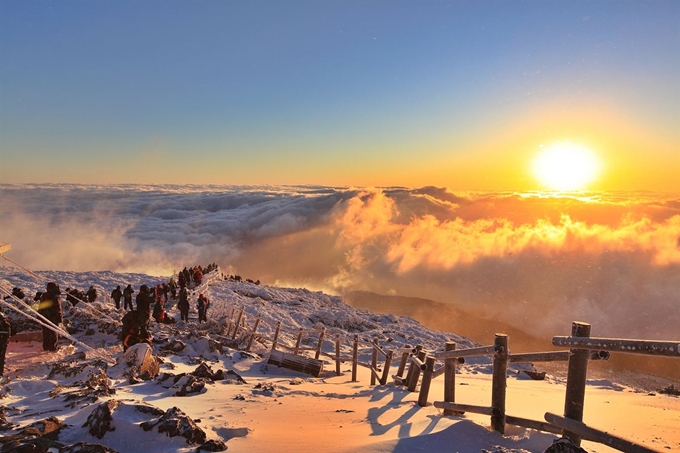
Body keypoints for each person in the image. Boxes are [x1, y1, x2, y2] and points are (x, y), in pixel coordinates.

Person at [38, 282, 63, 351]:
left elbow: (41, 307)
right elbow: (58, 308)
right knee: (53, 333)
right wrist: (60, 318)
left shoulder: (44, 296)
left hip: (44, 317)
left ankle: (46, 347)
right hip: (53, 317)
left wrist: (40, 315)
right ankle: (53, 347)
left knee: (45, 332)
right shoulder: (55, 297)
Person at [0, 310, 13, 376]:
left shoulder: (5, 323)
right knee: (1, 358)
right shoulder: (6, 322)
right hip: (3, 342)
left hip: (2, 342)